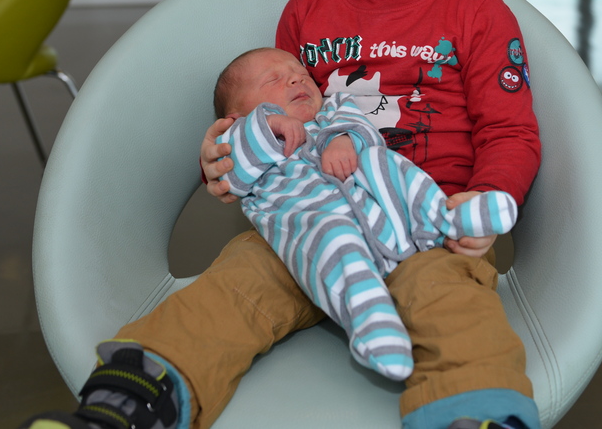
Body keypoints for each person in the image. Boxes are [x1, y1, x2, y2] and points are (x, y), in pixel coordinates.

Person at [22, 0, 541, 429]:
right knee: (235, 283)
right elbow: (277, 119)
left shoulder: (479, 13)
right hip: (313, 229)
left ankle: (477, 415)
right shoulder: (308, 8)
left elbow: (511, 133)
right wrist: (227, 158)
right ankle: (128, 402)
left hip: (428, 228)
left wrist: (485, 199)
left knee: (455, 309)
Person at [213, 47, 518, 382]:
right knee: (334, 236)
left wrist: (343, 138)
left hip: (391, 221)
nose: (296, 79)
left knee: (381, 159)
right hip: (318, 226)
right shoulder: (239, 139)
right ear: (237, 118)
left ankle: (446, 220)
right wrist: (267, 125)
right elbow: (230, 174)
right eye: (274, 79)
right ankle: (372, 324)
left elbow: (363, 127)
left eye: (300, 73)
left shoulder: (333, 108)